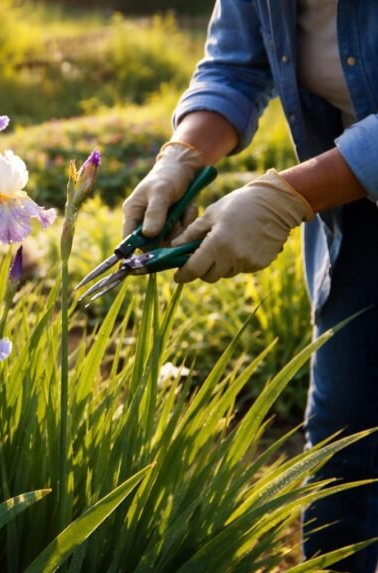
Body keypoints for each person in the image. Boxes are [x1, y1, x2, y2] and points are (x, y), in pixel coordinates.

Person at [120, 1, 377, 570]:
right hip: (356, 201)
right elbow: (235, 67)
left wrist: (291, 194)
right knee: (342, 443)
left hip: (340, 178)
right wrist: (180, 157)